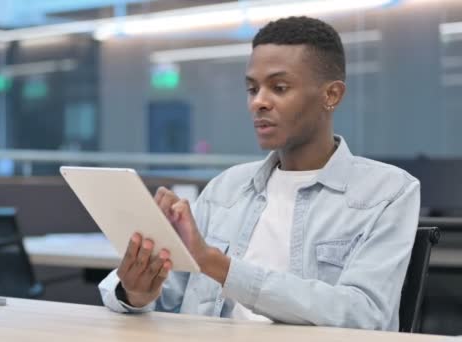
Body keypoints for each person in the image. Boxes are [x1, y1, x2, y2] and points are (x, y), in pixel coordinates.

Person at [99, 16, 420, 331]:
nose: (259, 102)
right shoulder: (226, 189)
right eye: (252, 89)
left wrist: (217, 265)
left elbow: (365, 314)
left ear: (331, 95)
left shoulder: (387, 192)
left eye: (279, 88)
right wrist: (138, 290)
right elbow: (165, 297)